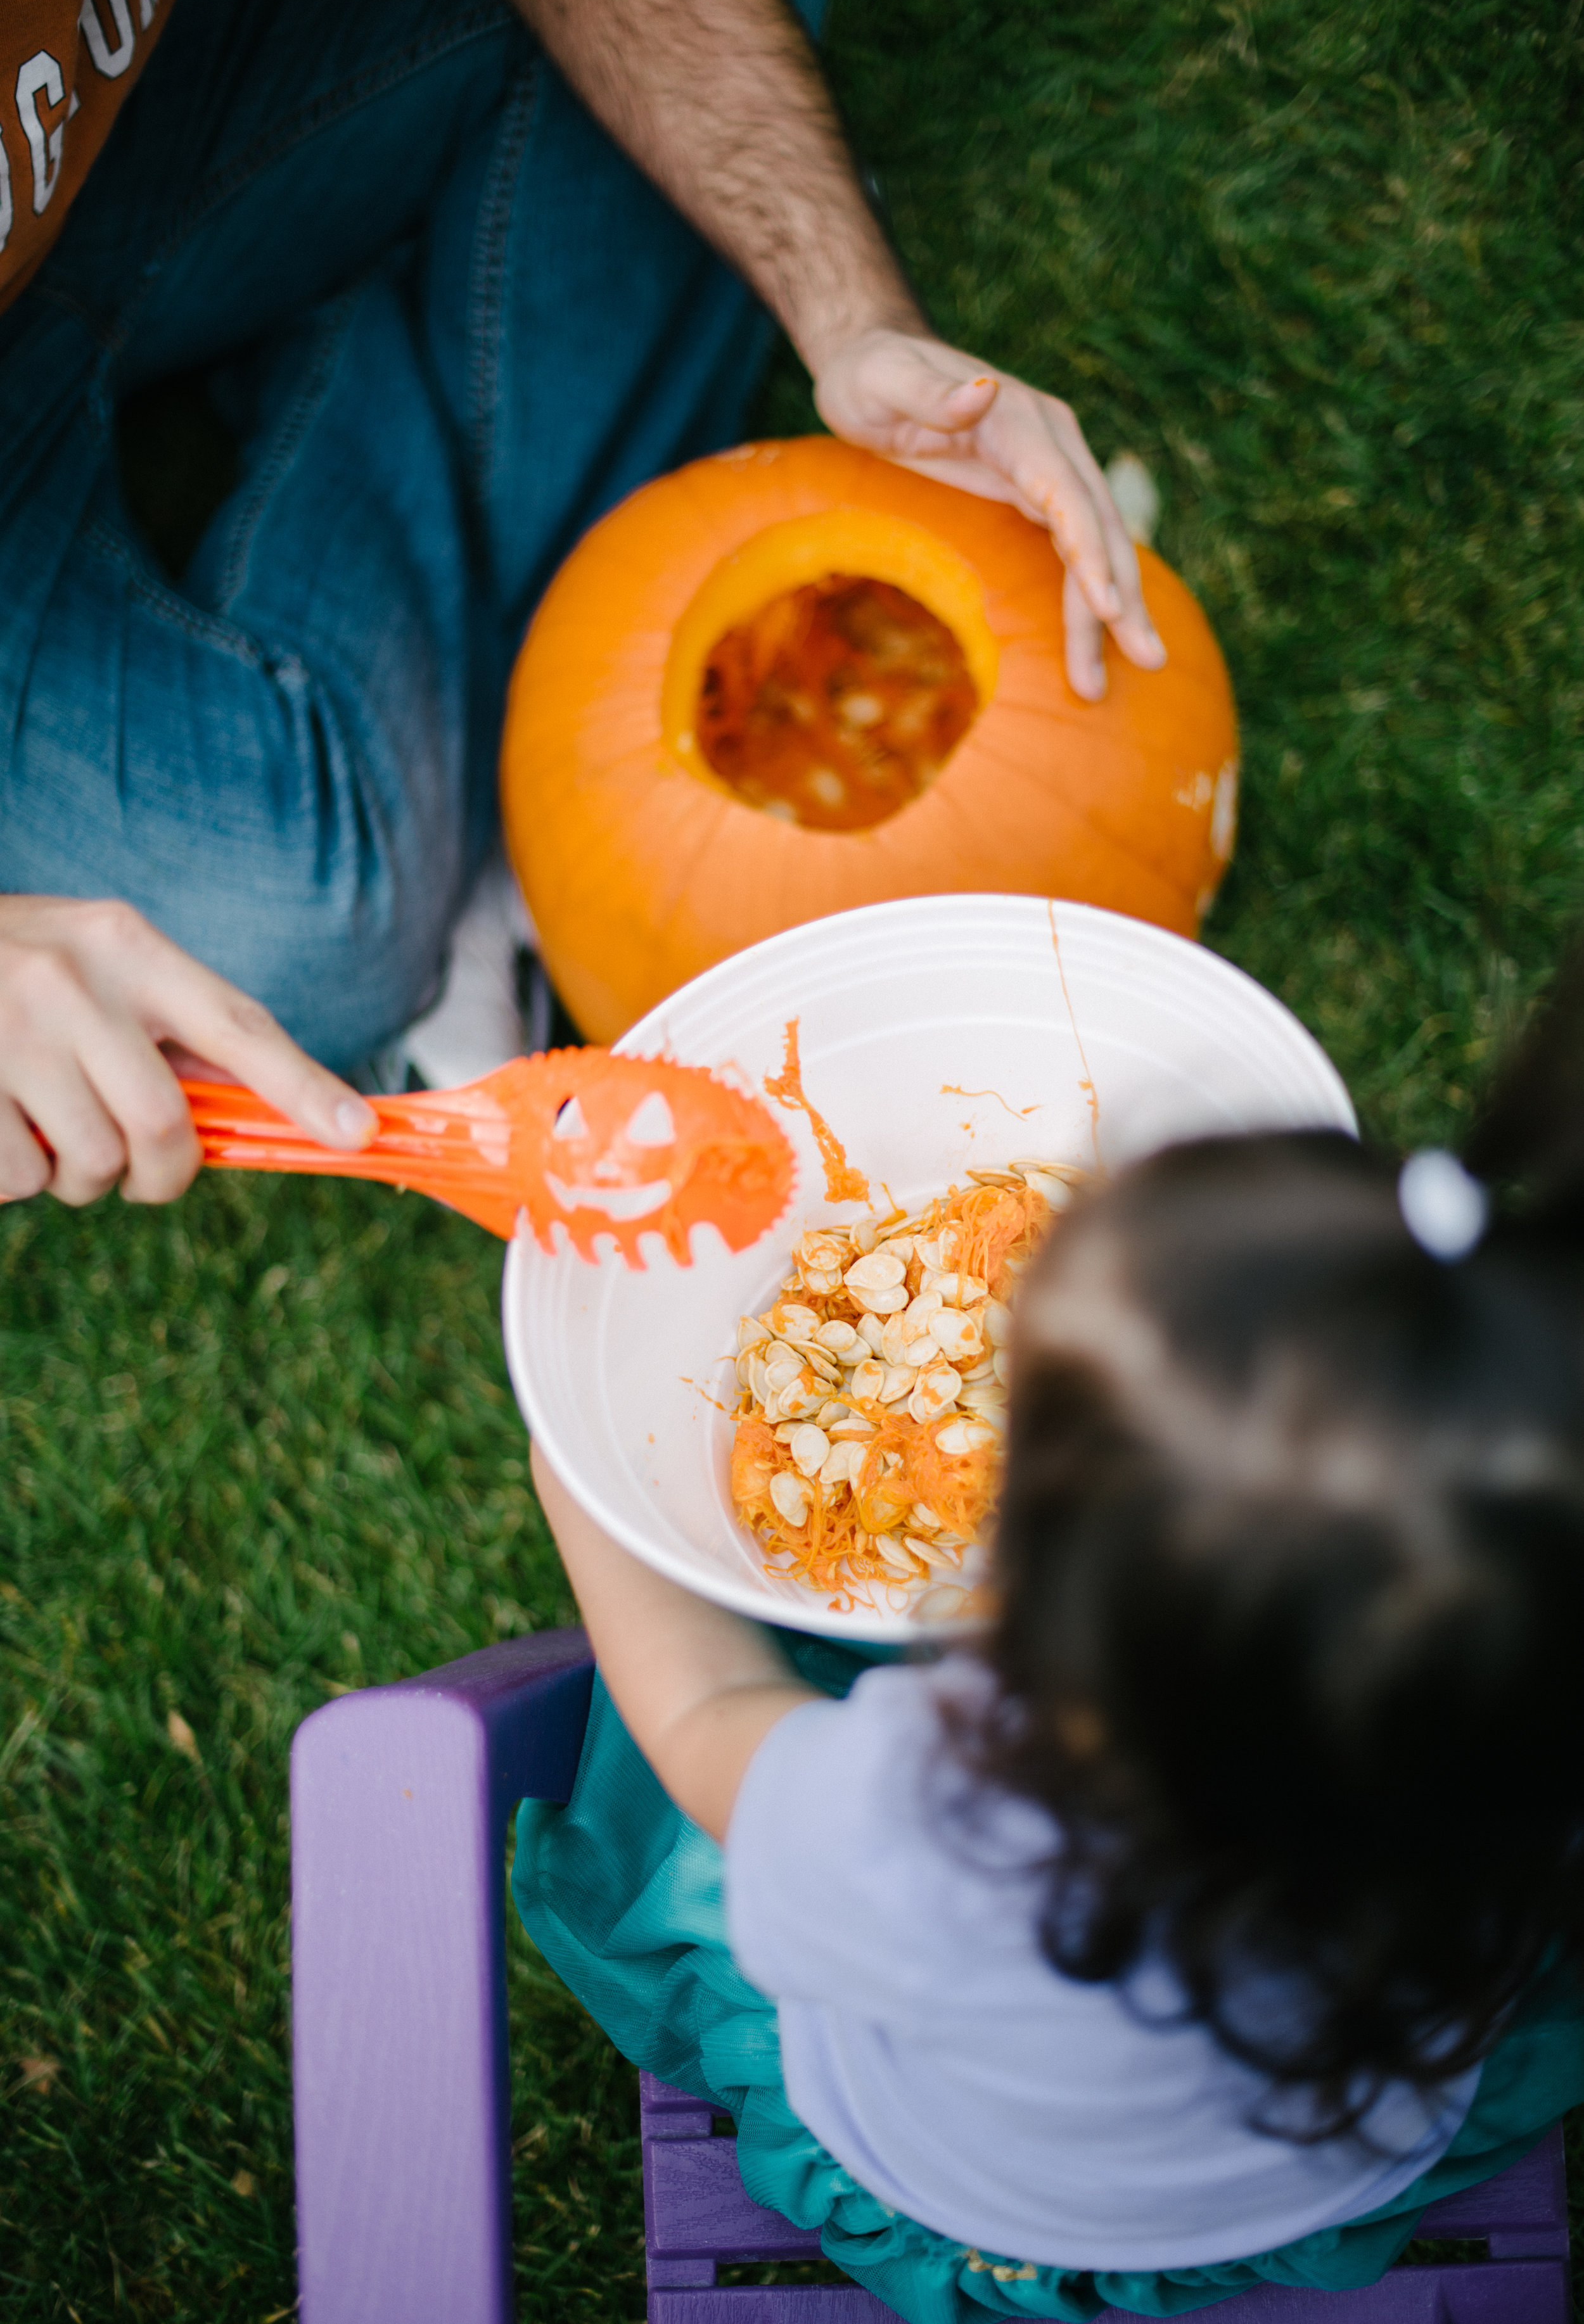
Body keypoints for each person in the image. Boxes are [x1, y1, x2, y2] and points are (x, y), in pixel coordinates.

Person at [0, 0, 1165, 1217]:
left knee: (727, 19)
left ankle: (450, 654)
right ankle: (461, 467)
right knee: (294, 936)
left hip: (141, 103)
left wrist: (851, 308)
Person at [514, 953, 1584, 2324]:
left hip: (958, 2207)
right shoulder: (1523, 1777)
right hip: (1333, 2171)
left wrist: (580, 1461)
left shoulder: (924, 1813)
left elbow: (703, 1705)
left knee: (671, 1817)